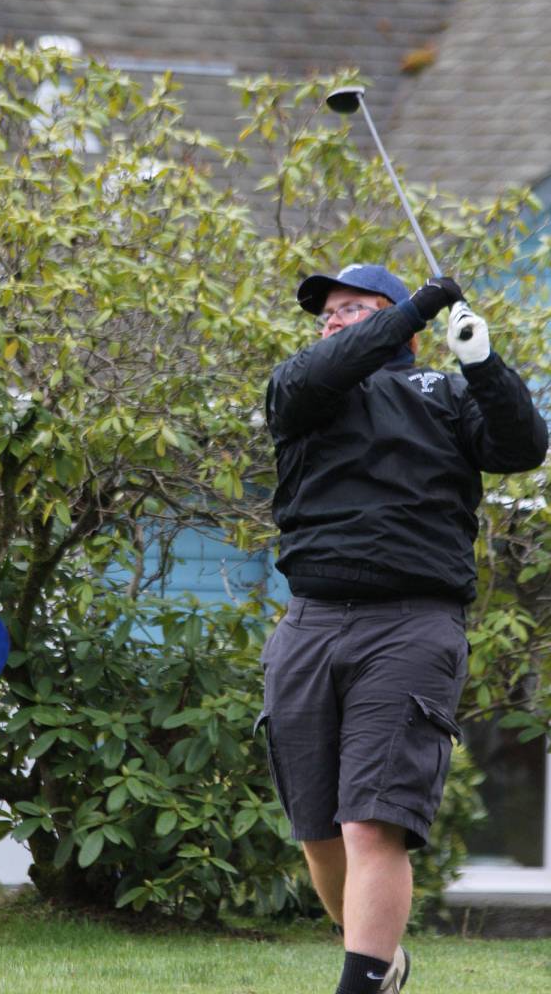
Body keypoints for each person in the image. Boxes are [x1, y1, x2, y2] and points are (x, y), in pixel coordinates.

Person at [261, 264, 547, 994]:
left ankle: (359, 984)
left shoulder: (447, 396)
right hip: (311, 621)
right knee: (319, 833)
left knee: (370, 822)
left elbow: (520, 448)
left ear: (392, 321)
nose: (331, 320)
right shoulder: (303, 391)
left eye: (350, 308)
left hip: (411, 625)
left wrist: (484, 366)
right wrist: (416, 304)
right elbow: (329, 364)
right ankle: (381, 960)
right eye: (324, 312)